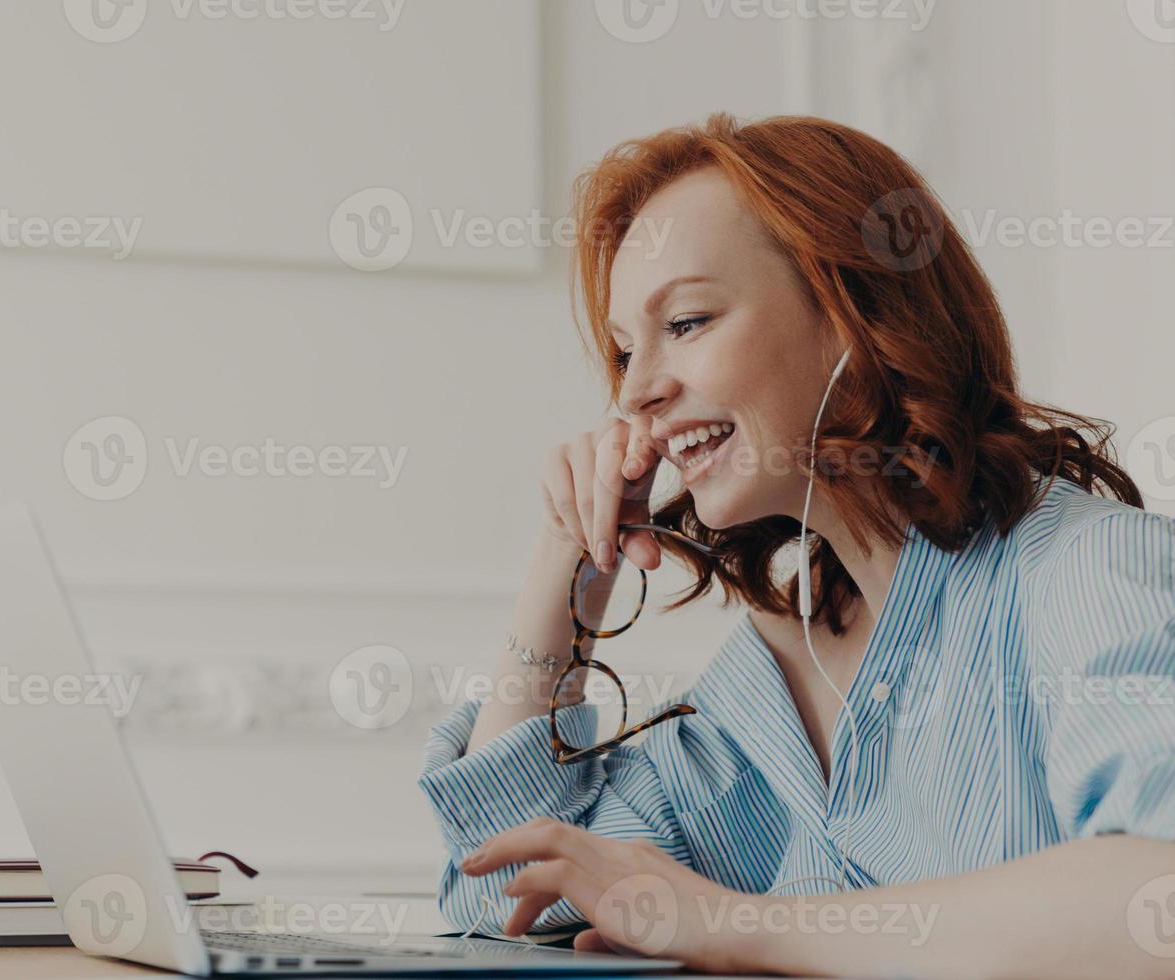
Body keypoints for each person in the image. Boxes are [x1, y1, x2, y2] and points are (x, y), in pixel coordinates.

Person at [416, 112, 1175, 978]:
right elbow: (509, 891)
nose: (637, 392)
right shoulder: (767, 681)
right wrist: (563, 565)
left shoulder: (1087, 573)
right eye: (626, 351)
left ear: (853, 312)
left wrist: (732, 923)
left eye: (690, 322)